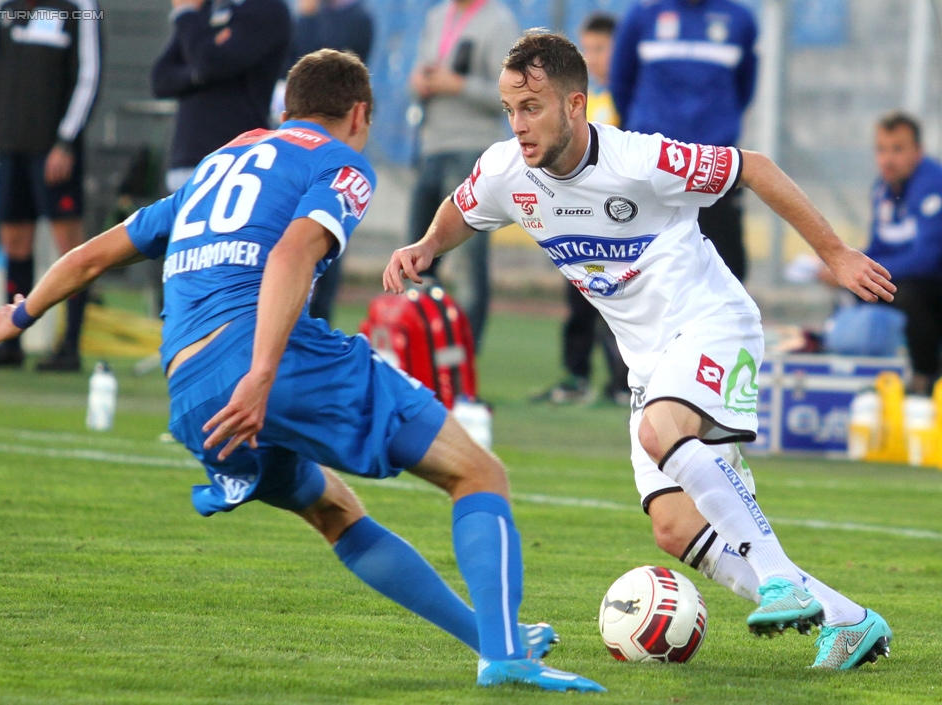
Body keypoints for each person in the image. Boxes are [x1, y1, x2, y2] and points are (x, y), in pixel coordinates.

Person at [0, 49, 603, 694]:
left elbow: (92, 255)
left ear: (285, 109)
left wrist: (21, 319)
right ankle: (506, 657)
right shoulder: (339, 162)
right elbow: (293, 251)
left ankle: (493, 636)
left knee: (334, 512)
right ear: (360, 113)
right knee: (478, 472)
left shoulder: (217, 166)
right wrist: (261, 375)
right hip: (264, 364)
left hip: (189, 392)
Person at [384, 32, 895, 670]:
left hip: (713, 324)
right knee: (676, 529)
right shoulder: (505, 169)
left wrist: (836, 253)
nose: (518, 125)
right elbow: (465, 207)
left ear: (576, 105)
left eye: (533, 107)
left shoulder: (642, 160)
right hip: (648, 362)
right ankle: (849, 622)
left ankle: (778, 579)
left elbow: (754, 167)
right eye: (511, 109)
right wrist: (428, 246)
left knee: (662, 431)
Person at [0, 0, 102, 372]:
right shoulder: (9, 8)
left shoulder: (79, 8)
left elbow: (89, 75)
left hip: (53, 151)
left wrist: (66, 141)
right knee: (14, 242)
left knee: (69, 245)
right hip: (11, 144)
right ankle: (10, 342)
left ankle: (69, 346)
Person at [610, 0, 757, 283]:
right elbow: (621, 81)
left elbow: (744, 86)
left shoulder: (739, 19)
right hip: (651, 167)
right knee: (634, 270)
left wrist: (716, 128)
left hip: (714, 165)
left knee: (726, 269)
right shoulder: (643, 14)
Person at [407, 0, 520, 351]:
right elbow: (420, 72)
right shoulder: (437, 16)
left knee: (470, 268)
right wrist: (419, 82)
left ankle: (463, 365)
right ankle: (418, 353)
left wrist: (456, 85)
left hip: (473, 150)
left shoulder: (500, 22)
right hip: (432, 146)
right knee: (418, 259)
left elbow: (510, 91)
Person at [533, 12, 629, 405]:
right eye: (585, 49)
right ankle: (577, 376)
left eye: (600, 48)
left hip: (618, 215)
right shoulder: (578, 103)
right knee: (578, 299)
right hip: (577, 213)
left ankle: (625, 382)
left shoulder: (627, 98)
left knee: (619, 302)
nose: (591, 57)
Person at [819, 112, 942, 396]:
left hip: (931, 284)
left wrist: (869, 271)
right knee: (853, 287)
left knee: (908, 294)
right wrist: (841, 265)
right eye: (881, 149)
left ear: (917, 152)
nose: (887, 159)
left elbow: (928, 259)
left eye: (897, 149)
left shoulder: (933, 185)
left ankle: (926, 377)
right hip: (907, 279)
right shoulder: (881, 189)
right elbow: (877, 247)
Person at [287, 0, 374, 324]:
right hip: (297, 143)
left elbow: (319, 81)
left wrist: (307, 19)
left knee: (324, 234)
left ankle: (316, 320)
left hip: (331, 145)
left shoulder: (357, 19)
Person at [151, 0, 292, 193]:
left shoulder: (266, 9)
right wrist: (198, 73)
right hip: (186, 162)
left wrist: (186, 15)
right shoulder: (205, 9)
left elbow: (212, 63)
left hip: (236, 162)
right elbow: (161, 79)